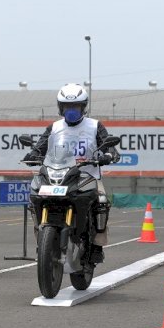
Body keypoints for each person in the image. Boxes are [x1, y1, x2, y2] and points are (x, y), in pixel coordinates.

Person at [23, 83, 120, 263]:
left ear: (83, 107)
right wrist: (33, 154)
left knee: (102, 201)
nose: (71, 110)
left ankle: (97, 247)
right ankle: (43, 240)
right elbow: (40, 147)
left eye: (75, 106)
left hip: (87, 176)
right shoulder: (54, 127)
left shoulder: (95, 126)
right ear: (61, 107)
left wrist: (109, 154)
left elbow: (110, 146)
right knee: (35, 197)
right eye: (67, 106)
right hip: (57, 174)